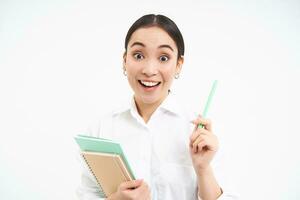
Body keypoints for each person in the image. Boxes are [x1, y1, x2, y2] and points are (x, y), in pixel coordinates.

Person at [77, 14, 238, 200]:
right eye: (138, 55)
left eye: (163, 58)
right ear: (124, 60)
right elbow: (86, 195)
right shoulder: (101, 128)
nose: (149, 70)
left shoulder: (199, 133)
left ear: (178, 65)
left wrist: (203, 169)